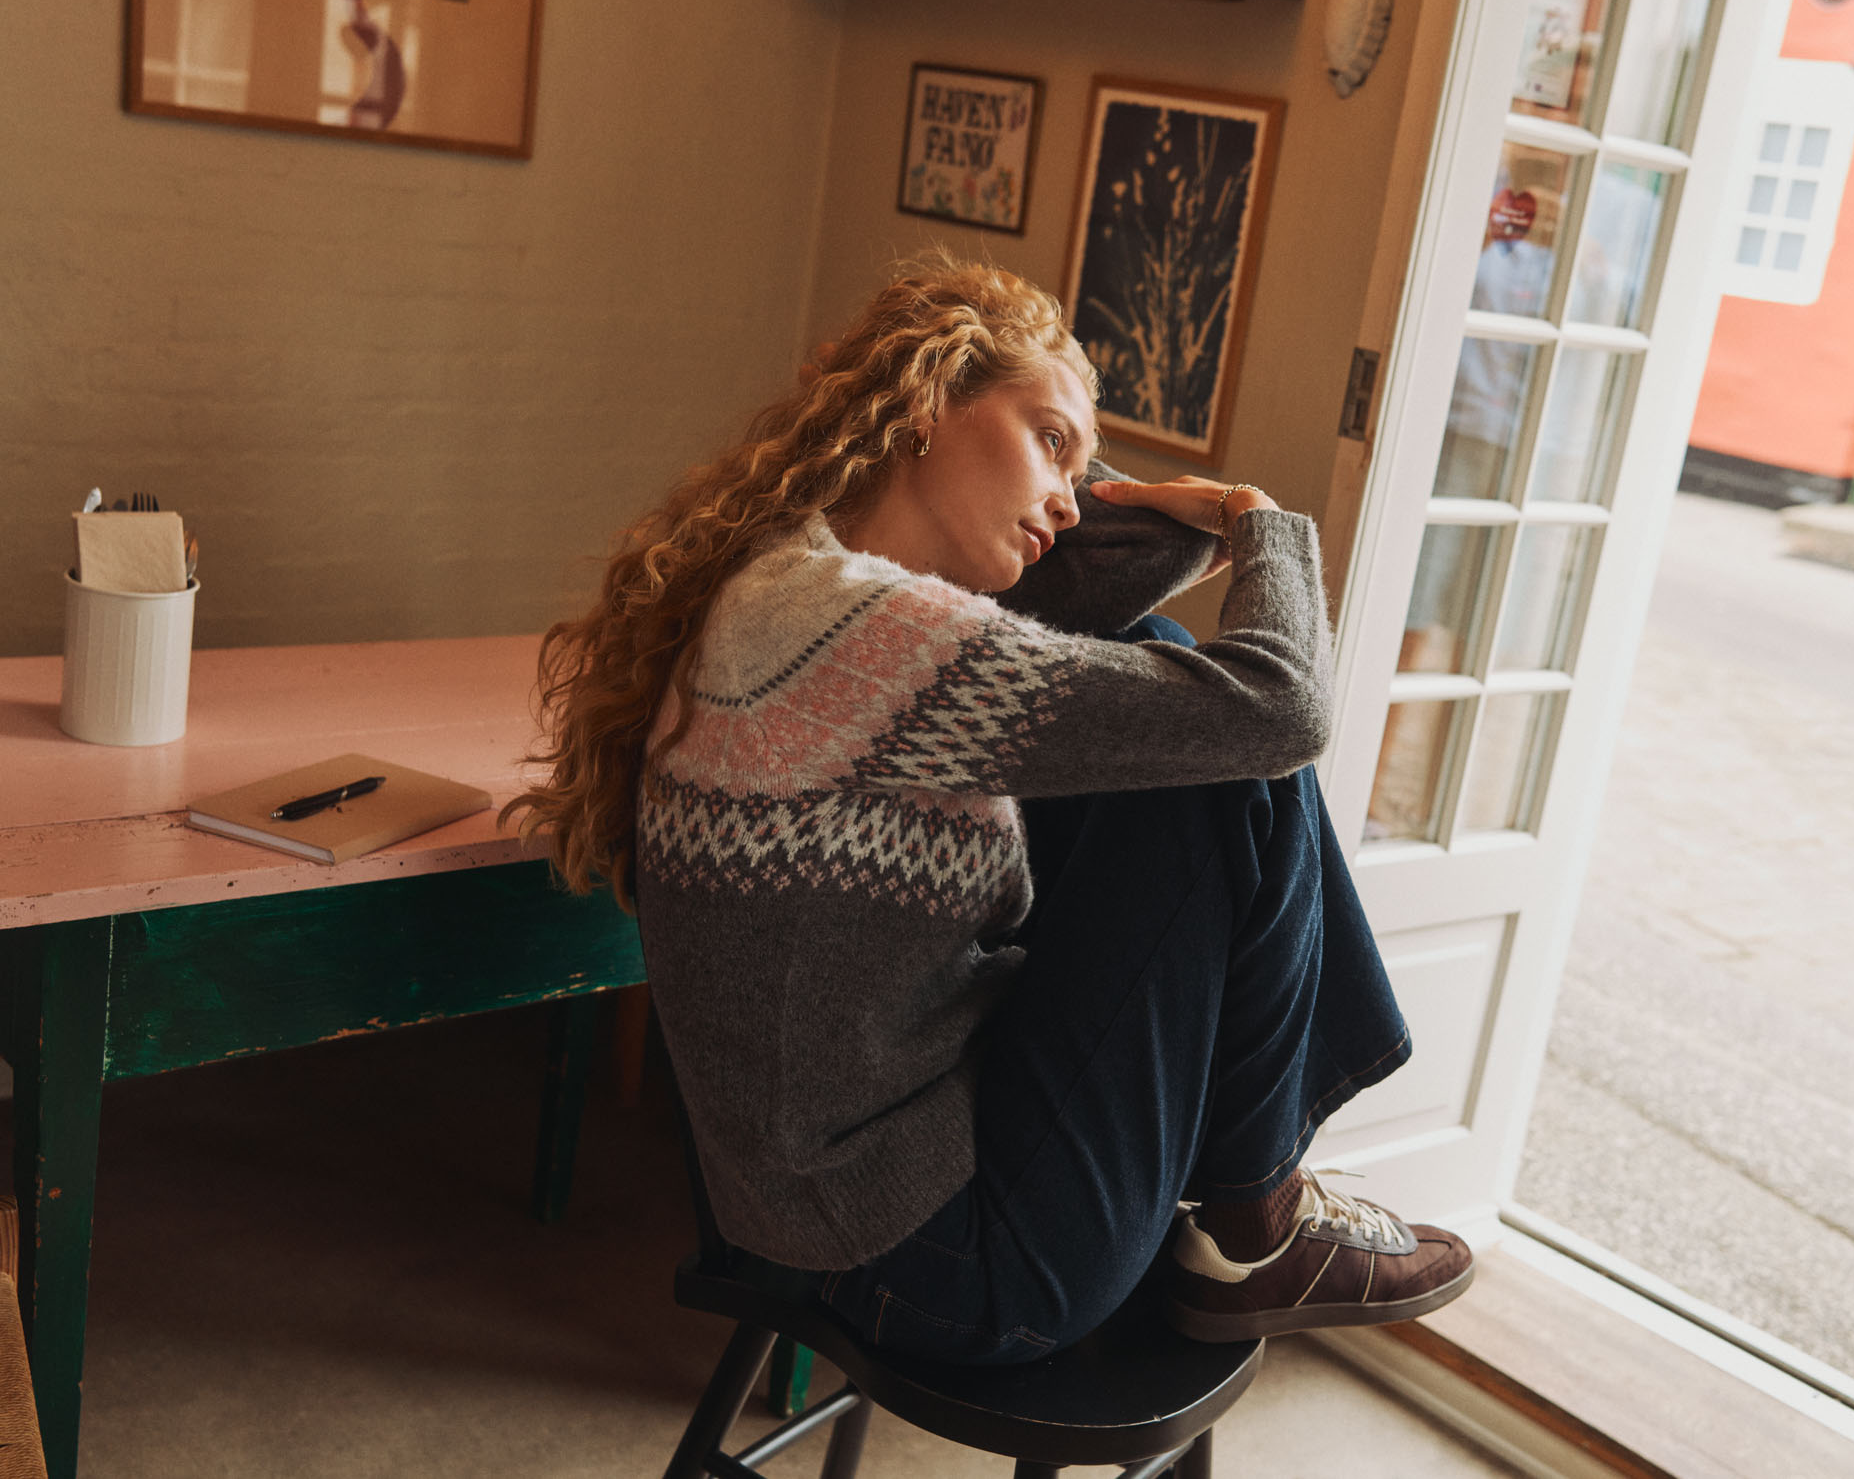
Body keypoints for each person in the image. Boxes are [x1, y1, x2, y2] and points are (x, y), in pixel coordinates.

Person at [507, 256, 1473, 1364]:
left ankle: (1259, 1208)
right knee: (1208, 745)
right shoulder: (844, 631)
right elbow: (1280, 712)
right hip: (945, 1259)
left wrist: (1132, 500)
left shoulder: (803, 591)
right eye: (1048, 439)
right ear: (923, 405)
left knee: (1158, 678)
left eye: (1081, 465)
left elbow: (1068, 606)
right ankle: (1257, 1215)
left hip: (850, 1197)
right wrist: (1257, 521)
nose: (1068, 494)